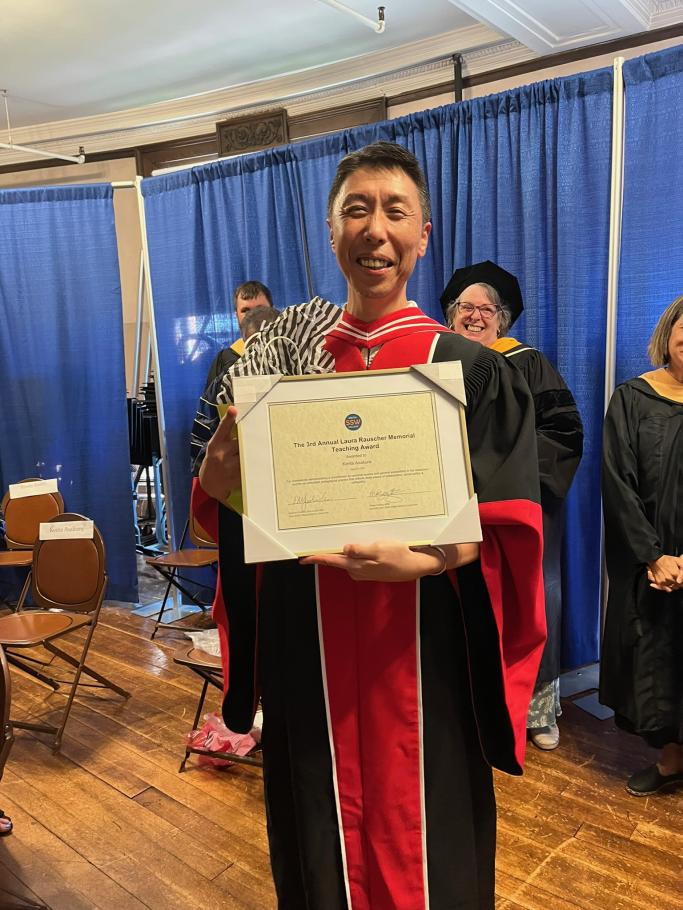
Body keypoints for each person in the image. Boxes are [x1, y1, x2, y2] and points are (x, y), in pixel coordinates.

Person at [192, 142, 545, 909]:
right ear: (331, 232)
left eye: (394, 211)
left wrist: (434, 558)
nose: (374, 229)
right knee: (315, 848)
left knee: (426, 847)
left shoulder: (470, 370)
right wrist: (216, 485)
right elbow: (240, 521)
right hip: (305, 654)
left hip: (422, 658)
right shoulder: (279, 373)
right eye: (355, 210)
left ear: (422, 234)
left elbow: (509, 523)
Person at [442, 261, 583, 752]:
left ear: (502, 320)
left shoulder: (528, 363)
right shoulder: (434, 364)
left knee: (535, 596)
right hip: (452, 509)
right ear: (451, 314)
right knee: (458, 600)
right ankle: (466, 704)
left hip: (522, 504)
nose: (475, 316)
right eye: (466, 307)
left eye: (487, 309)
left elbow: (564, 433)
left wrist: (508, 480)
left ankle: (537, 710)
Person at [600, 295, 683, 797]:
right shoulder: (633, 398)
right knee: (660, 661)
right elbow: (618, 483)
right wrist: (654, 554)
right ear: (669, 332)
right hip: (652, 565)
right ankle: (672, 761)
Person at [202, 280, 274, 393]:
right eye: (245, 310)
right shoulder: (224, 361)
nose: (253, 315)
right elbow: (211, 402)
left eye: (260, 309)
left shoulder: (291, 353)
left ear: (273, 310)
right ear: (236, 316)